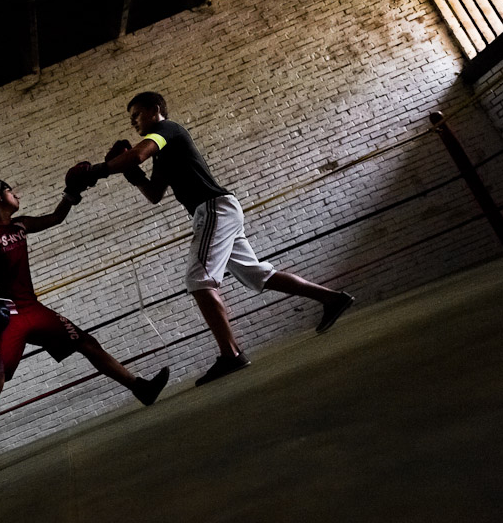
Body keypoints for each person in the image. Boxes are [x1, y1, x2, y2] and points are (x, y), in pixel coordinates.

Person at [65, 91, 354, 387]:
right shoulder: (165, 151)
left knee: (198, 279)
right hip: (220, 210)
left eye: (136, 115)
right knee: (257, 275)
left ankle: (230, 354)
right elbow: (154, 195)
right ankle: (332, 299)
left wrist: (95, 172)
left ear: (154, 110)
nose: (133, 122)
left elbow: (138, 153)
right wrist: (132, 173)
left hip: (213, 208)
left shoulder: (167, 130)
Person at [0, 179, 170, 480]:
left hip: (33, 308)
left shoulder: (20, 226)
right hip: (6, 314)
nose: (16, 193)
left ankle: (142, 389)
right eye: (10, 191)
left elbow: (56, 217)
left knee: (86, 342)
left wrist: (72, 191)